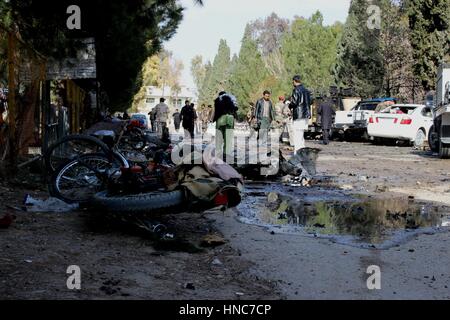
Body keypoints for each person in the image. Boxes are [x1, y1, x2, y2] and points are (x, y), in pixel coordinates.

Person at [212, 91, 238, 160]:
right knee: (228, 139)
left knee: (219, 139)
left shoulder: (218, 100)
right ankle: (226, 156)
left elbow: (216, 112)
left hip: (221, 120)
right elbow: (235, 110)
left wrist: (213, 120)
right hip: (230, 119)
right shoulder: (231, 99)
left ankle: (218, 156)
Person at [289, 75, 311, 152]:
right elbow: (309, 102)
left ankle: (297, 152)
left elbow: (294, 102)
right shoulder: (306, 91)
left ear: (294, 81)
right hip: (305, 115)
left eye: (293, 81)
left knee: (297, 135)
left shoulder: (296, 90)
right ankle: (302, 150)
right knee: (301, 135)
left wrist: (289, 105)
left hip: (298, 114)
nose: (292, 83)